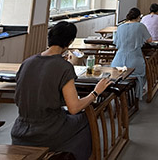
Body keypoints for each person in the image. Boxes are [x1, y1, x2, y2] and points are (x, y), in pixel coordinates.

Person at [11, 21, 111, 160]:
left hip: (20, 131)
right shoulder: (64, 67)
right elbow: (74, 108)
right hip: (48, 132)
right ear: (69, 42)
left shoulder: (27, 62)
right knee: (85, 118)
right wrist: (95, 93)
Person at [111, 7, 152, 99]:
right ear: (138, 17)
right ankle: (139, 91)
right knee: (144, 71)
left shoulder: (120, 27)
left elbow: (116, 42)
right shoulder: (140, 26)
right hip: (134, 63)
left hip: (117, 63)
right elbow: (149, 40)